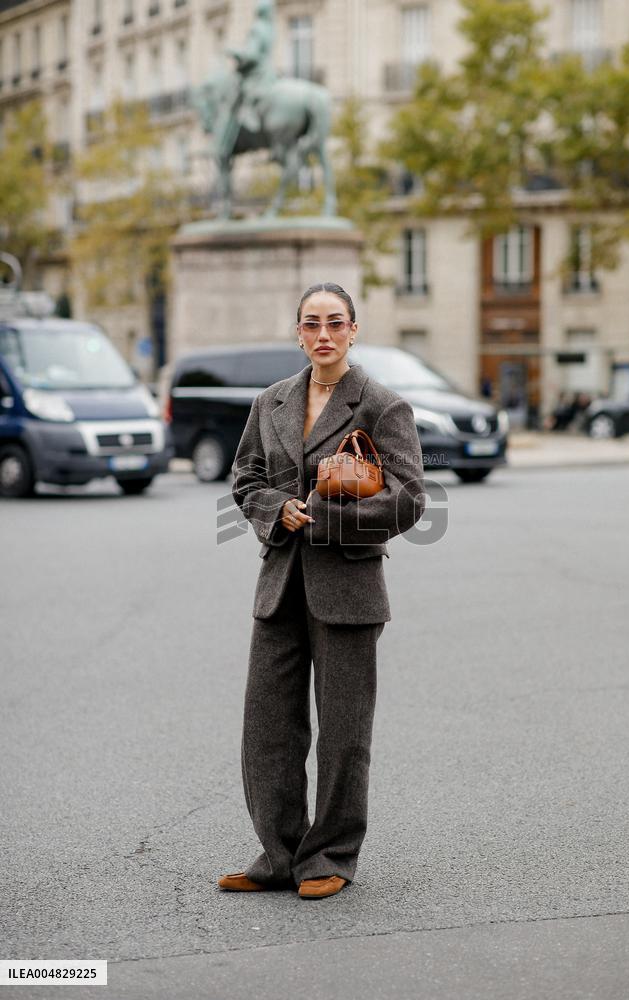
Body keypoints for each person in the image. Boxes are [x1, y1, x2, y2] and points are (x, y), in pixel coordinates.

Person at [219, 282, 427, 900]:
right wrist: (277, 508)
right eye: (312, 324)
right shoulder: (272, 401)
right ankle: (279, 853)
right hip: (280, 583)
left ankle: (330, 856)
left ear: (354, 330)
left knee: (343, 732)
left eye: (336, 323)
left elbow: (411, 500)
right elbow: (245, 477)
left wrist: (328, 519)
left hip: (350, 589)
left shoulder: (382, 406)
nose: (324, 335)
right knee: (268, 727)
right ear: (299, 333)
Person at [227, 0, 276, 133]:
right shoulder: (270, 28)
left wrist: (233, 52)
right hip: (270, 72)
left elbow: (251, 54)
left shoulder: (257, 28)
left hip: (258, 71)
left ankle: (249, 116)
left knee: (236, 92)